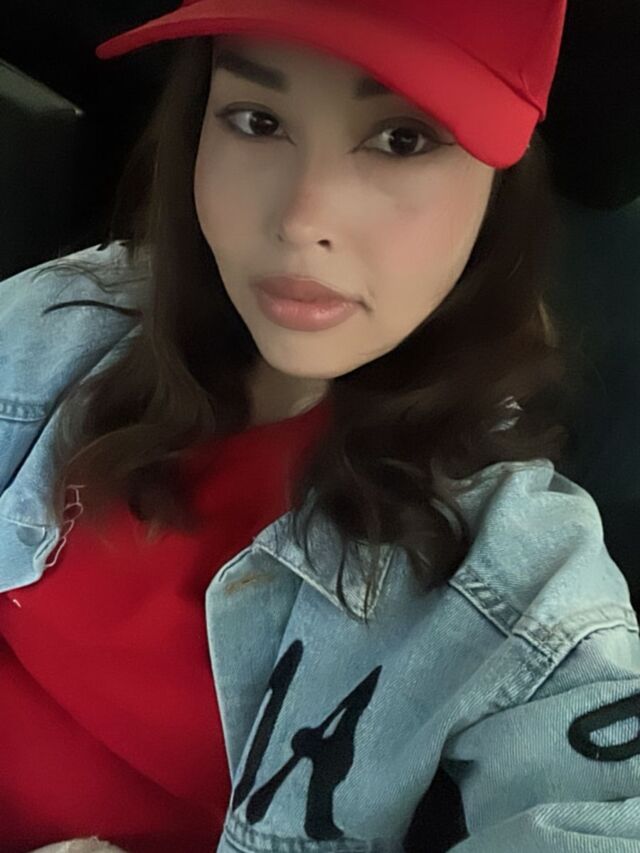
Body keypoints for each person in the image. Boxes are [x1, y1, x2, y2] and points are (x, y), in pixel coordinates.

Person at [1, 1, 639, 852]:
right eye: (257, 121)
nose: (303, 219)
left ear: (499, 185)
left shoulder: (518, 581)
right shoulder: (72, 318)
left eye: (401, 140)